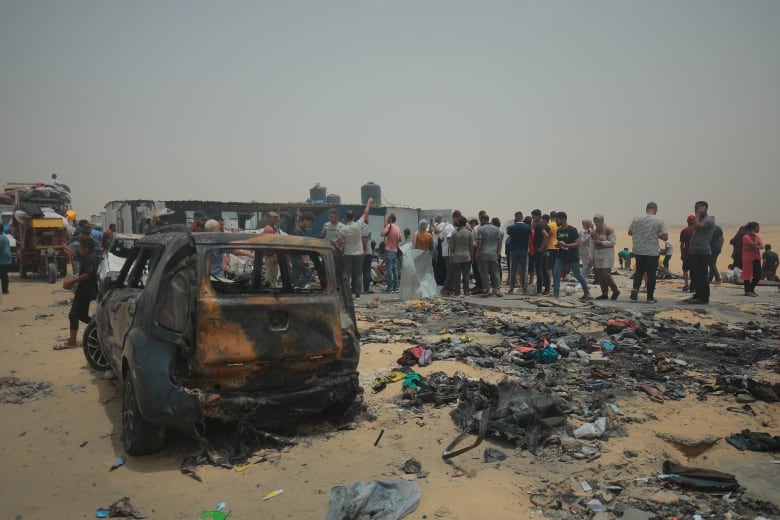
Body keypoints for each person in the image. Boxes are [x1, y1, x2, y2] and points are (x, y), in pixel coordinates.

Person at [58, 238, 98, 349]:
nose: (79, 249)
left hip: (85, 291)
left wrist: (71, 282)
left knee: (73, 315)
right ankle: (99, 327)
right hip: (86, 290)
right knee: (82, 316)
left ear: (87, 249)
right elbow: (75, 255)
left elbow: (87, 274)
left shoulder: (89, 259)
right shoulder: (89, 257)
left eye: (80, 247)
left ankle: (72, 341)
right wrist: (66, 247)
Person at [628, 201, 668, 304]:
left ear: (646, 209)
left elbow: (630, 232)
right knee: (651, 274)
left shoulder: (636, 218)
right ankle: (650, 298)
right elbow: (665, 236)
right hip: (652, 251)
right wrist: (656, 235)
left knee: (639, 271)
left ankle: (635, 288)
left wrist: (640, 234)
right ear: (655, 210)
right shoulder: (659, 220)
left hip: (638, 250)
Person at [551, 212, 591, 300]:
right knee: (556, 273)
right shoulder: (559, 230)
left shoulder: (572, 230)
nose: (556, 221)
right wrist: (558, 245)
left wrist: (566, 245)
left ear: (563, 219)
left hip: (572, 257)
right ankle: (556, 294)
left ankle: (587, 293)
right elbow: (560, 242)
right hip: (561, 256)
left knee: (578, 275)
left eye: (557, 219)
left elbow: (578, 243)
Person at [338, 199, 373, 299]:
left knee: (347, 275)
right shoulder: (358, 225)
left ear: (346, 218)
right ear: (354, 217)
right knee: (358, 274)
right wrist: (369, 204)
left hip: (348, 253)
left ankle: (346, 293)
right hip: (358, 253)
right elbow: (365, 213)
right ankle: (358, 294)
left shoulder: (343, 228)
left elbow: (339, 242)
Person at [685, 201, 716, 305]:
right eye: (695, 208)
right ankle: (697, 295)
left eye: (698, 208)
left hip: (703, 251)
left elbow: (698, 226)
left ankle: (704, 298)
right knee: (694, 275)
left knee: (702, 275)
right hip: (694, 251)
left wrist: (697, 214)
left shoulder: (709, 220)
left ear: (704, 208)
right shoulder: (699, 220)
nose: (695, 210)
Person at [591, 214, 619, 300]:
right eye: (595, 221)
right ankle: (604, 293)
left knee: (605, 274)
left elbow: (613, 242)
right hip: (597, 254)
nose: (596, 223)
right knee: (599, 275)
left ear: (602, 221)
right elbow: (592, 244)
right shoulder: (594, 232)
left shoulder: (609, 230)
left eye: (598, 221)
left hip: (607, 254)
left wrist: (602, 243)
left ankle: (615, 290)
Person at [475, 213, 502, 297]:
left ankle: (487, 288)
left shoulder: (481, 229)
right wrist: (498, 252)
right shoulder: (496, 229)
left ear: (482, 220)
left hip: (483, 253)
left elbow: (479, 242)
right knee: (495, 272)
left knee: (484, 272)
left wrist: (477, 252)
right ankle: (497, 289)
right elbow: (499, 241)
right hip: (493, 253)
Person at [505, 211, 531, 294]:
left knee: (513, 269)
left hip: (514, 250)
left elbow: (509, 236)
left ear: (515, 217)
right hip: (524, 250)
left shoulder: (511, 228)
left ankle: (511, 289)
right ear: (522, 217)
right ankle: (524, 289)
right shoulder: (528, 227)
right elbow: (530, 238)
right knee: (524, 270)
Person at [449, 216, 474, 297]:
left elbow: (451, 247)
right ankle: (467, 293)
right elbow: (471, 246)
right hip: (467, 256)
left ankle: (457, 293)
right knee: (466, 275)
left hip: (457, 257)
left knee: (457, 276)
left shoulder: (454, 233)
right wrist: (472, 256)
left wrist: (451, 256)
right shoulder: (469, 233)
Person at [530, 209, 550, 295]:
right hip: (545, 251)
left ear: (538, 216)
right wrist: (546, 245)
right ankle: (547, 289)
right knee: (545, 270)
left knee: (539, 271)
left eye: (533, 216)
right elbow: (551, 233)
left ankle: (538, 290)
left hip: (539, 251)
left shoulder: (539, 225)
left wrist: (541, 247)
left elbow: (546, 235)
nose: (532, 218)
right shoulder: (545, 224)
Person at [380, 213, 401, 293]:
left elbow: (382, 234)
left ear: (391, 219)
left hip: (389, 250)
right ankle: (395, 287)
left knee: (389, 269)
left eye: (388, 218)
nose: (387, 219)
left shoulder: (389, 226)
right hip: (395, 250)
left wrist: (386, 226)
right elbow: (400, 239)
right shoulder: (398, 228)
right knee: (395, 269)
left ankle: (389, 288)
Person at [740, 222, 763, 297]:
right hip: (748, 258)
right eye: (757, 227)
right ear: (753, 228)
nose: (759, 229)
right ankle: (747, 291)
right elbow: (754, 245)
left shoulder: (758, 237)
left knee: (758, 275)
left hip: (756, 257)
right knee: (747, 274)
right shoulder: (746, 237)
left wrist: (754, 246)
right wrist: (755, 239)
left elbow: (761, 246)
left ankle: (751, 289)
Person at [679, 215, 696, 291]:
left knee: (685, 270)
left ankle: (686, 284)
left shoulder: (684, 231)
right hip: (696, 253)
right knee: (695, 270)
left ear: (687, 222)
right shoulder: (697, 230)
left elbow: (682, 244)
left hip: (686, 253)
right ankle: (693, 284)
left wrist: (682, 253)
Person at [0, 226, 11, 294]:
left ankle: (5, 290)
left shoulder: (0, 238)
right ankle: (5, 290)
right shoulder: (4, 237)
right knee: (4, 275)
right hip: (6, 258)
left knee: (3, 275)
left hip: (3, 259)